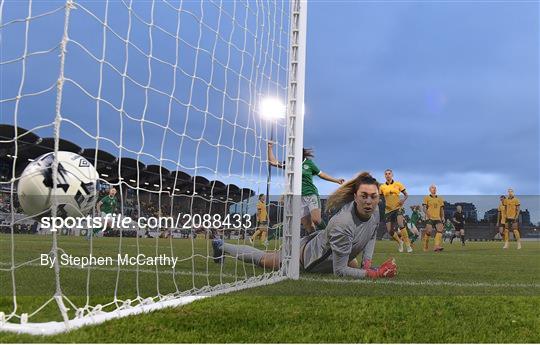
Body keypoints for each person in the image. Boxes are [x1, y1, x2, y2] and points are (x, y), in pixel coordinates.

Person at [211, 172, 397, 279]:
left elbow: (371, 235)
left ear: (378, 197)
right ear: (355, 197)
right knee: (264, 260)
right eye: (364, 195)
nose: (369, 201)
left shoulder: (375, 211)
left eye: (373, 196)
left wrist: (369, 264)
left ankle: (221, 245)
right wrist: (374, 274)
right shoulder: (343, 223)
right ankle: (221, 245)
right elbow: (339, 271)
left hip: (332, 252)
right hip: (303, 257)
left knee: (355, 264)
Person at [267, 142, 344, 234]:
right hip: (298, 198)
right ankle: (314, 244)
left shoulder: (309, 164)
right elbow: (272, 162)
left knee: (316, 220)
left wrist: (336, 180)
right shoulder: (290, 163)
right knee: (308, 227)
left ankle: (329, 235)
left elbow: (321, 174)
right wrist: (270, 147)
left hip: (311, 194)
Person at [379, 169, 410, 253]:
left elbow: (406, 195)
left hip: (397, 208)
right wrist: (380, 202)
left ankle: (408, 245)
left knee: (401, 224)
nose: (387, 175)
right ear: (384, 176)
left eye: (389, 173)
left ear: (392, 175)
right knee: (390, 231)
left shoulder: (398, 184)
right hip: (388, 210)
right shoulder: (382, 187)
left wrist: (403, 200)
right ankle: (400, 242)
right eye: (386, 174)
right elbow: (380, 198)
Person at [422, 185, 445, 252]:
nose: (434, 189)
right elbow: (424, 208)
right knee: (428, 231)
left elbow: (441, 209)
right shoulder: (426, 198)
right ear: (430, 190)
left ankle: (436, 246)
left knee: (440, 230)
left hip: (437, 218)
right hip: (429, 218)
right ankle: (425, 245)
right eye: (432, 188)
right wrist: (428, 215)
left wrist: (443, 217)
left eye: (435, 188)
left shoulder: (440, 199)